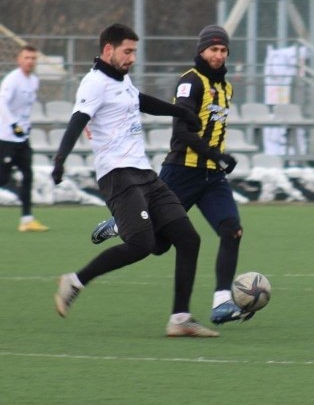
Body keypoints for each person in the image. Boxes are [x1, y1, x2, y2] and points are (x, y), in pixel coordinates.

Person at [51, 23, 218, 337]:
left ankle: (180, 319)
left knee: (187, 239)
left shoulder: (122, 80)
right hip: (117, 175)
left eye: (134, 52)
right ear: (108, 50)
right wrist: (60, 158)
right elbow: (78, 120)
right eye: (127, 51)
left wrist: (180, 113)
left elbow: (142, 101)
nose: (132, 58)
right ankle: (75, 281)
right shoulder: (94, 83)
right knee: (142, 244)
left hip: (144, 173)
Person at [89, 24, 254, 325]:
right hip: (182, 172)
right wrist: (217, 155)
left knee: (232, 229)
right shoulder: (190, 82)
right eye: (212, 49)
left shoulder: (227, 87)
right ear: (201, 51)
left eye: (222, 50)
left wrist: (216, 160)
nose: (218, 55)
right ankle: (120, 224)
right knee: (158, 245)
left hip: (212, 178)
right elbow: (182, 131)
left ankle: (221, 302)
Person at [0, 45, 49, 232]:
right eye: (26, 58)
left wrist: (24, 127)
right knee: (3, 179)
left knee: (28, 175)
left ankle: (27, 219)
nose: (30, 61)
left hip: (22, 138)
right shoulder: (12, 80)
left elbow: (25, 109)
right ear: (19, 60)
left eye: (33, 58)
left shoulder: (34, 81)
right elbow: (2, 103)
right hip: (6, 138)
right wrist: (13, 124)